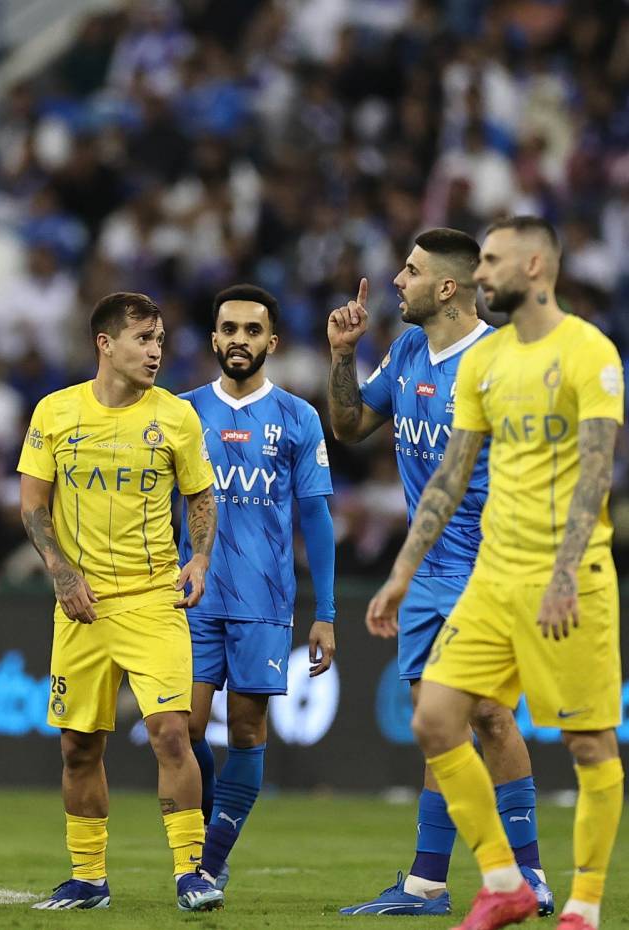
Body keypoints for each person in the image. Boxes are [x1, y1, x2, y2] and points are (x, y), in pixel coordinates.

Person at [368, 216, 624, 930]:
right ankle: (503, 880)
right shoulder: (485, 363)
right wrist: (400, 572)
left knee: (588, 743)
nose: (481, 276)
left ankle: (583, 904)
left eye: (493, 262)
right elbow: (447, 481)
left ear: (536, 266)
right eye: (478, 263)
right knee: (435, 718)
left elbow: (596, 474)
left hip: (565, 578)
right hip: (491, 578)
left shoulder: (590, 355)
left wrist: (567, 571)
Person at [329, 228, 552, 916]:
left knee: (487, 714)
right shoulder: (403, 351)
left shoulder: (498, 361)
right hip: (425, 570)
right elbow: (349, 424)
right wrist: (342, 354)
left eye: (411, 270)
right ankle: (427, 883)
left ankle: (527, 875)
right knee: (437, 723)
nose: (397, 280)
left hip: (491, 566)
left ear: (447, 288)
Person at [17, 292, 225, 913]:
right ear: (106, 345)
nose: (156, 350)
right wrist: (60, 572)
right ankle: (88, 879)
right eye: (143, 339)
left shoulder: (177, 418)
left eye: (160, 339)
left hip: (153, 598)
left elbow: (201, 497)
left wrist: (201, 557)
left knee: (171, 732)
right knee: (79, 746)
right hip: (80, 607)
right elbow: (32, 505)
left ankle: (193, 873)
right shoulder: (55, 413)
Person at [179, 284, 336, 889]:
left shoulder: (298, 416)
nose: (239, 340)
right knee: (184, 728)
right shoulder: (182, 412)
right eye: (229, 329)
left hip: (263, 600)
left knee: (246, 730)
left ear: (271, 340)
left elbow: (317, 517)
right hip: (190, 594)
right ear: (213, 338)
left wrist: (325, 611)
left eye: (252, 331)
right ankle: (198, 850)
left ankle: (208, 866)